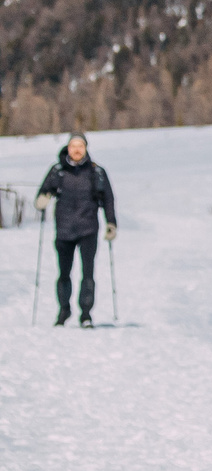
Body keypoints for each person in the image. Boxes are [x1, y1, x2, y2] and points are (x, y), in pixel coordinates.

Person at [36, 134, 116, 328]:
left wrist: (110, 223)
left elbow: (108, 199)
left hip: (88, 228)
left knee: (87, 273)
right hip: (64, 229)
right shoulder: (58, 171)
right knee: (64, 272)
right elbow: (43, 192)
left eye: (80, 145)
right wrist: (42, 200)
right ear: (68, 148)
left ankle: (86, 314)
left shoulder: (96, 172)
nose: (77, 149)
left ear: (86, 148)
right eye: (73, 146)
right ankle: (63, 311)